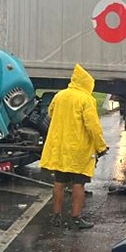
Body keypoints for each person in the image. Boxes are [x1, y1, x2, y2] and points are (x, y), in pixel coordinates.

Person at [39, 64, 108, 230]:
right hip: (79, 150)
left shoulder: (60, 96)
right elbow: (93, 126)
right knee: (79, 184)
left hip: (60, 148)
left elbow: (50, 113)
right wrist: (101, 147)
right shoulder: (86, 100)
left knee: (59, 182)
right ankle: (76, 218)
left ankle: (56, 216)